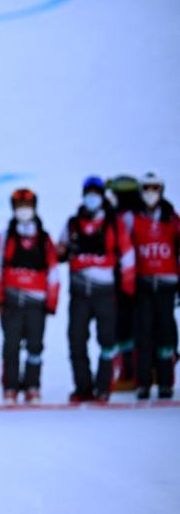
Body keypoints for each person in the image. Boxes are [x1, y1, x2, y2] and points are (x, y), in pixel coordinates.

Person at [58, 176, 134, 402]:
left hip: (105, 291)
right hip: (79, 292)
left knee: (107, 340)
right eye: (88, 193)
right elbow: (59, 251)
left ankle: (103, 386)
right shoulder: (73, 223)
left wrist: (128, 287)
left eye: (96, 193)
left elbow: (128, 255)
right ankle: (83, 387)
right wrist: (61, 251)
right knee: (76, 340)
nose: (92, 198)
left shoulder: (113, 223)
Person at [0, 188, 59, 404]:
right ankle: (10, 388)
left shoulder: (44, 237)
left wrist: (51, 301)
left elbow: (54, 271)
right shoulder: (6, 236)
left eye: (27, 206)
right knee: (10, 346)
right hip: (11, 302)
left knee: (35, 347)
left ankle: (32, 386)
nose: (23, 211)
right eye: (19, 206)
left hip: (37, 303)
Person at [128, 172, 177, 399]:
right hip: (143, 284)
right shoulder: (132, 218)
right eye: (146, 188)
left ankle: (166, 381)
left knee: (166, 333)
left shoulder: (171, 218)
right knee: (143, 333)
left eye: (155, 188)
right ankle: (143, 383)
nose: (150, 192)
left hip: (167, 283)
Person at [107, 174, 142, 389]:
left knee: (132, 327)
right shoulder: (120, 216)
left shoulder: (124, 218)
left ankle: (133, 373)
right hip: (125, 279)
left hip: (134, 279)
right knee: (125, 327)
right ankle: (132, 372)